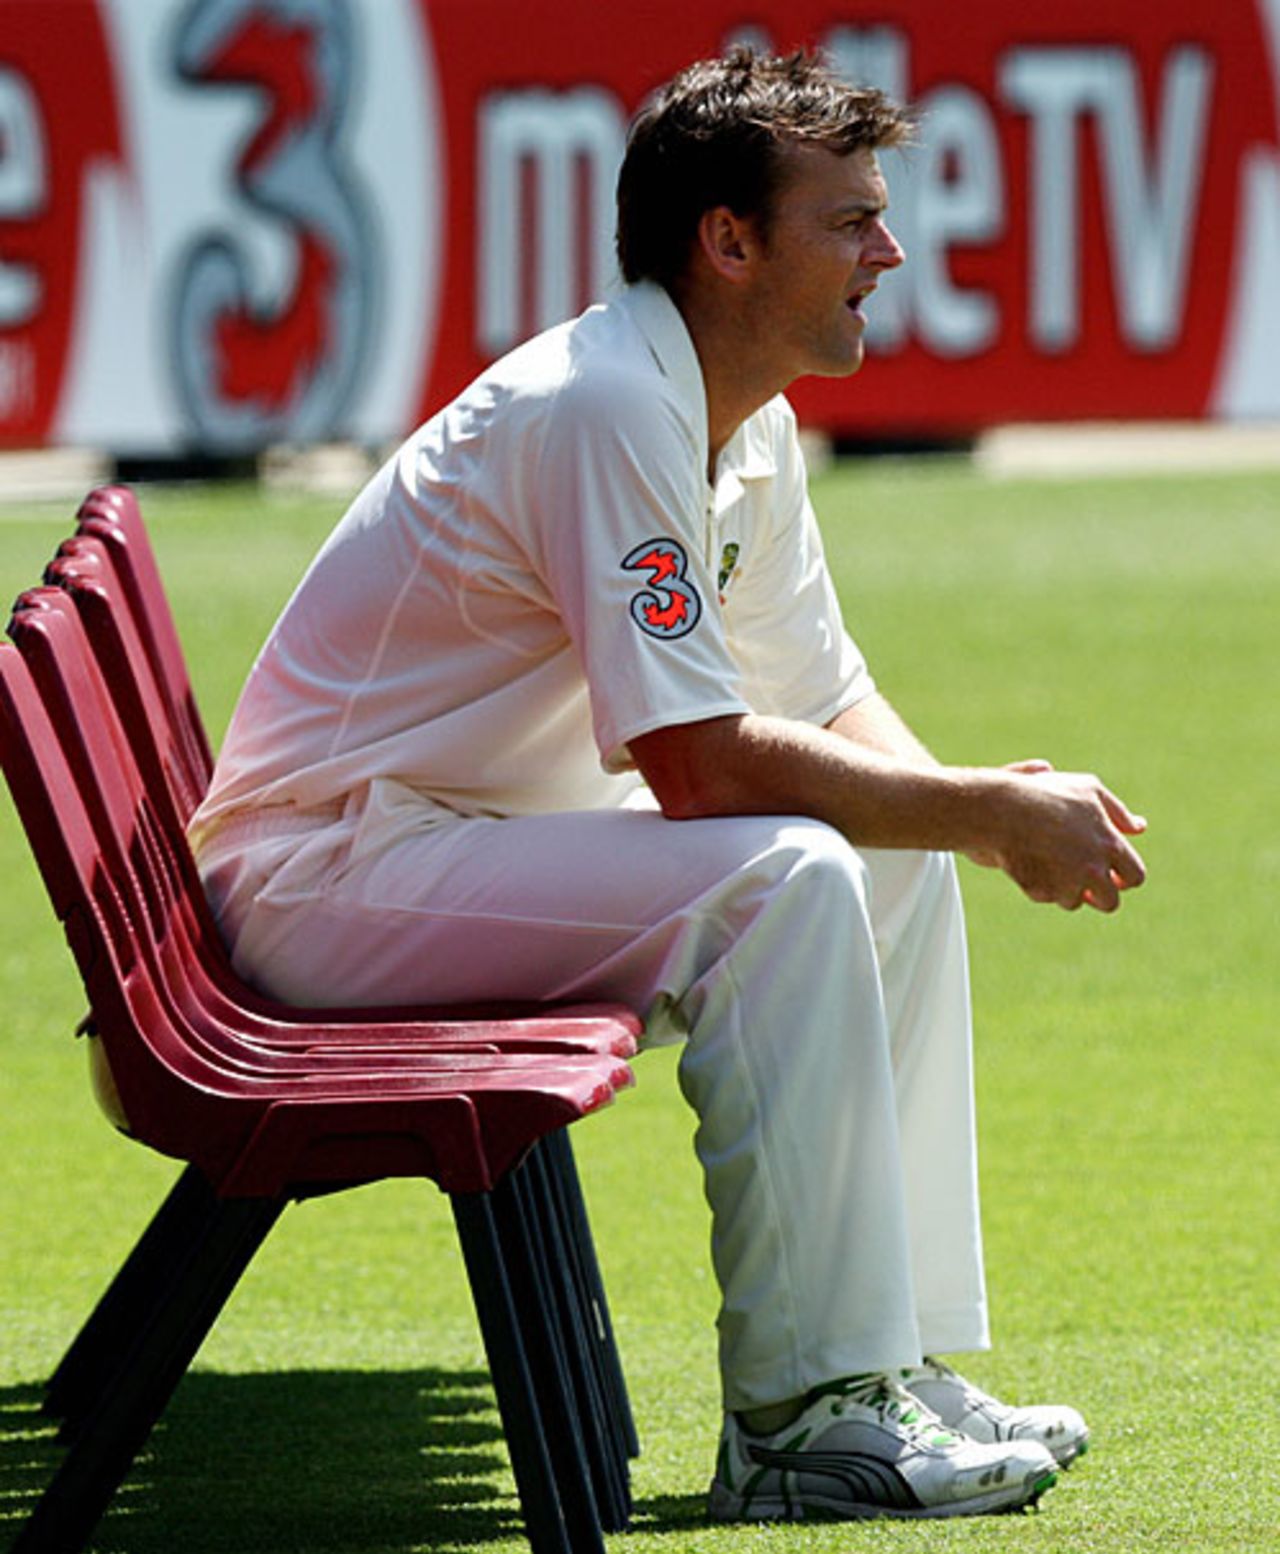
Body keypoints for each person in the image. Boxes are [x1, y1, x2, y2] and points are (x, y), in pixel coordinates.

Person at [189, 48, 1146, 1522]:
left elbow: (821, 697)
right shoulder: (607, 404)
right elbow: (701, 768)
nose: (889, 251)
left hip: (449, 840)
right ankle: (799, 1417)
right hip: (324, 878)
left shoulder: (737, 413)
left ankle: (883, 1359)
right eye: (851, 221)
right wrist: (986, 803)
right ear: (730, 240)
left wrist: (967, 812)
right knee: (789, 874)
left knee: (886, 853)